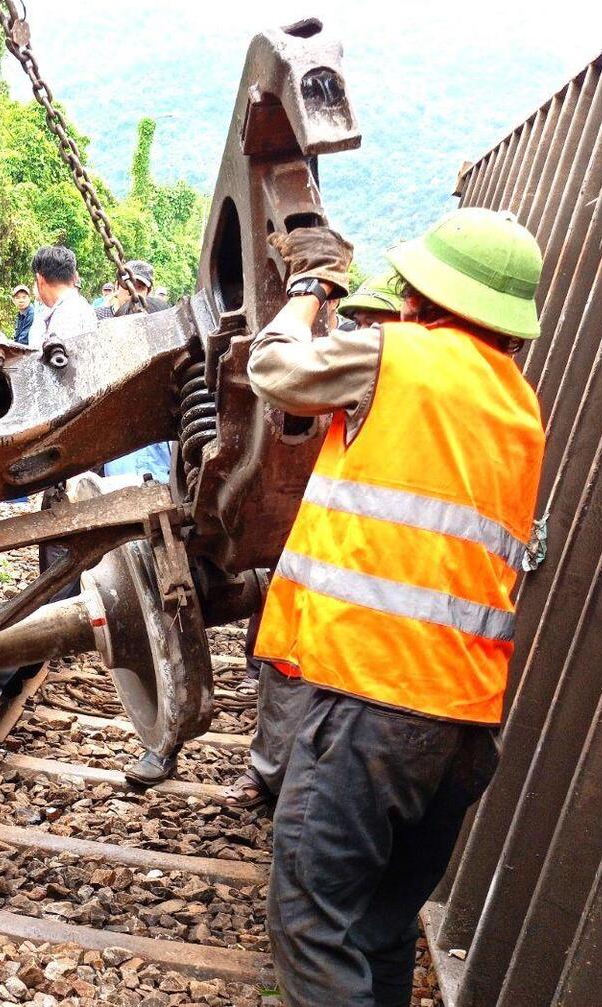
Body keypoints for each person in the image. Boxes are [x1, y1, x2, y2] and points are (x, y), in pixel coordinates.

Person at [247, 211, 545, 1007]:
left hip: (373, 708)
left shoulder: (400, 354)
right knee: (377, 927)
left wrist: (311, 288)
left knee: (311, 923)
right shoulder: (519, 408)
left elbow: (274, 368)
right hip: (463, 729)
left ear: (418, 296)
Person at [221, 266, 406, 813]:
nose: (365, 330)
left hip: (363, 567)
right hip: (320, 555)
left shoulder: (384, 371)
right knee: (287, 668)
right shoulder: (356, 369)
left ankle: (298, 789)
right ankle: (268, 774)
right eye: (361, 320)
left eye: (375, 322)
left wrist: (308, 293)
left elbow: (277, 368)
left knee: (330, 687)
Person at [0, 246, 101, 721]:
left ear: (41, 279)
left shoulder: (64, 322)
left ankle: (6, 675)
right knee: (57, 559)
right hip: (74, 454)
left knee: (56, 572)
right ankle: (62, 629)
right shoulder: (77, 312)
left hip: (70, 455)